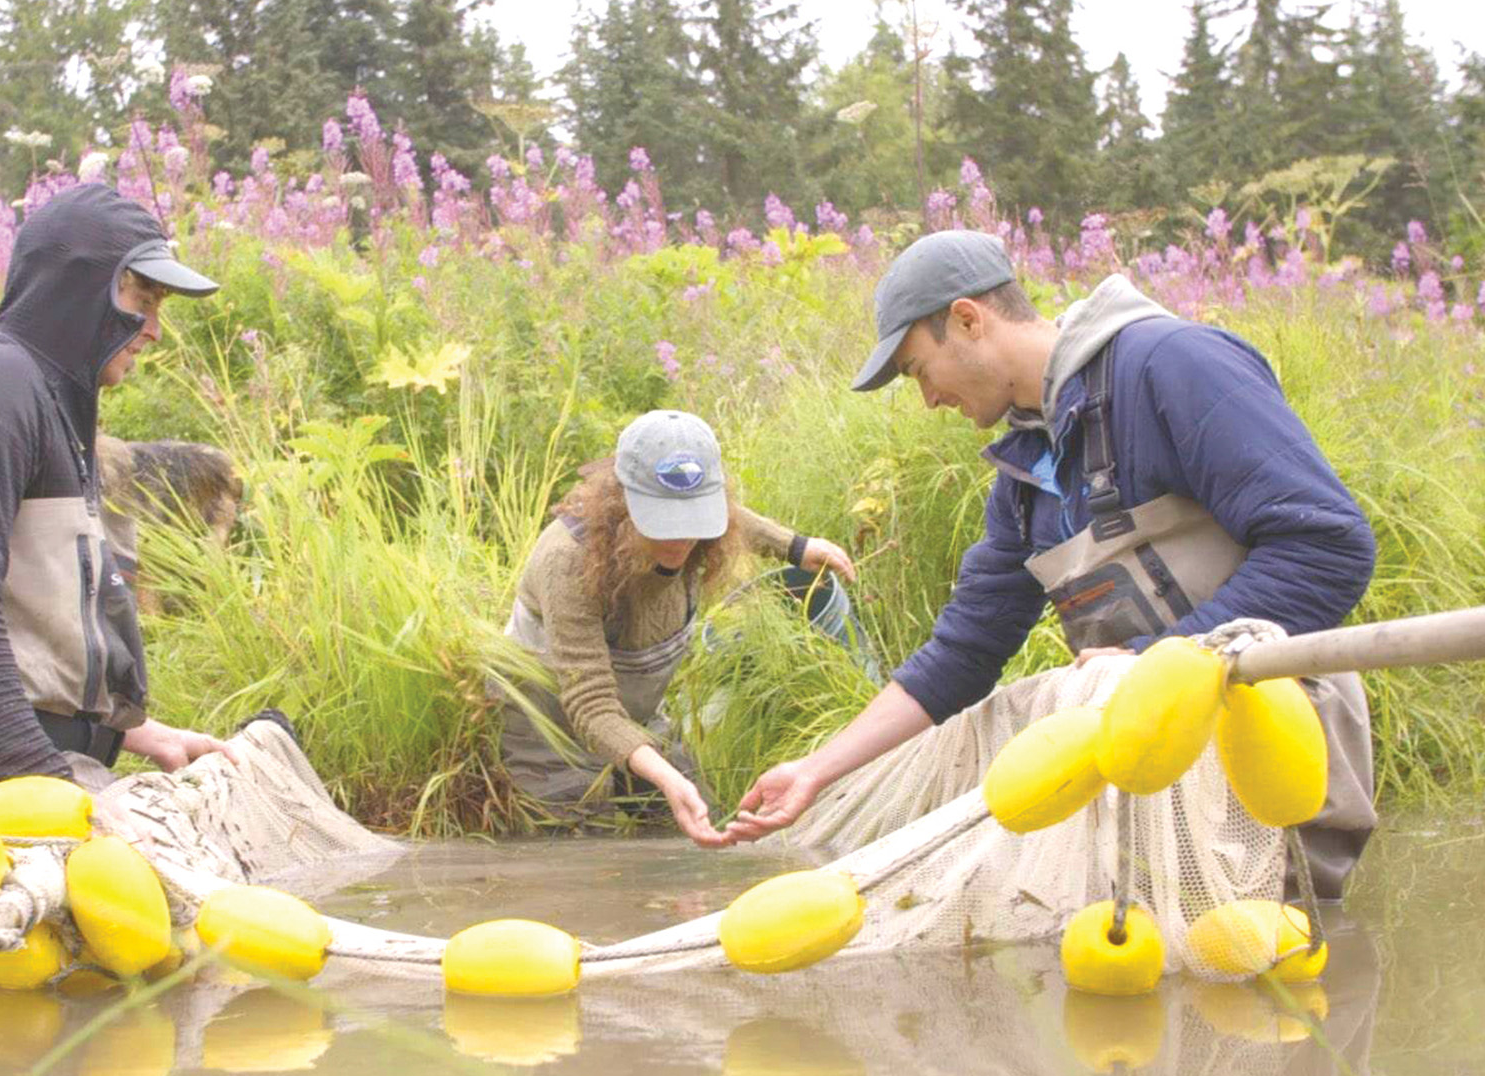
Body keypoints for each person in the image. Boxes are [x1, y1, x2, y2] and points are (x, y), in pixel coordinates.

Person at [730, 230, 1378, 898]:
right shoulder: (1023, 479)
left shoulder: (1172, 366)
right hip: (1154, 775)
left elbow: (1327, 546)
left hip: (1277, 749)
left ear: (968, 320)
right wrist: (816, 770)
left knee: (1285, 964)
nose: (927, 398)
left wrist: (1166, 657)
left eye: (918, 369)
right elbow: (964, 653)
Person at [0, 184, 240, 831]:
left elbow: (33, 632)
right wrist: (53, 793)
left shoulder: (50, 406)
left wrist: (141, 736)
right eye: (141, 300)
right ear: (81, 286)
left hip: (36, 770)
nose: (154, 331)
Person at [500, 409, 855, 848]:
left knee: (698, 826)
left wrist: (796, 547)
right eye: (665, 520)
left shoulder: (708, 527)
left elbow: (734, 518)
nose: (682, 539)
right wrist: (665, 776)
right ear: (622, 504)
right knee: (583, 850)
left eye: (695, 517)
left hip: (636, 719)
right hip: (550, 730)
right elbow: (590, 704)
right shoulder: (567, 562)